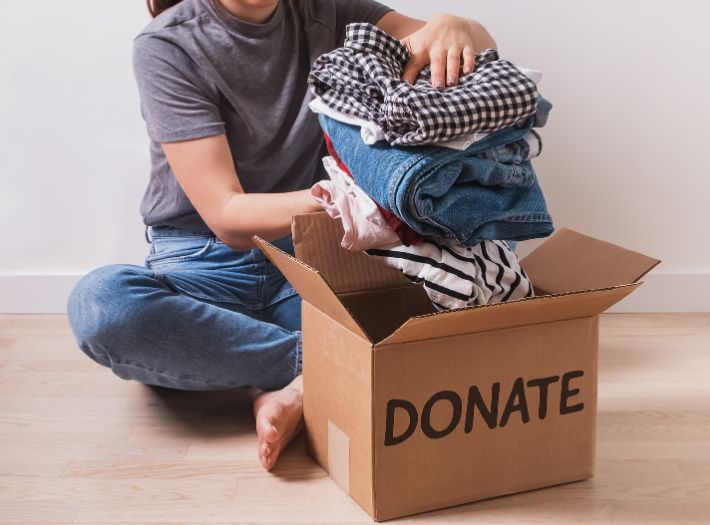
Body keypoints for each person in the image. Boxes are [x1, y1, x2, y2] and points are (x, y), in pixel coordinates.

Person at [66, 0, 497, 471]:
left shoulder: (328, 12)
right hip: (201, 264)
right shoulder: (168, 43)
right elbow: (227, 215)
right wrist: (355, 200)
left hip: (311, 255)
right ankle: (320, 371)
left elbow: (479, 50)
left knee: (458, 285)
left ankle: (296, 382)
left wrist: (455, 25)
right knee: (103, 305)